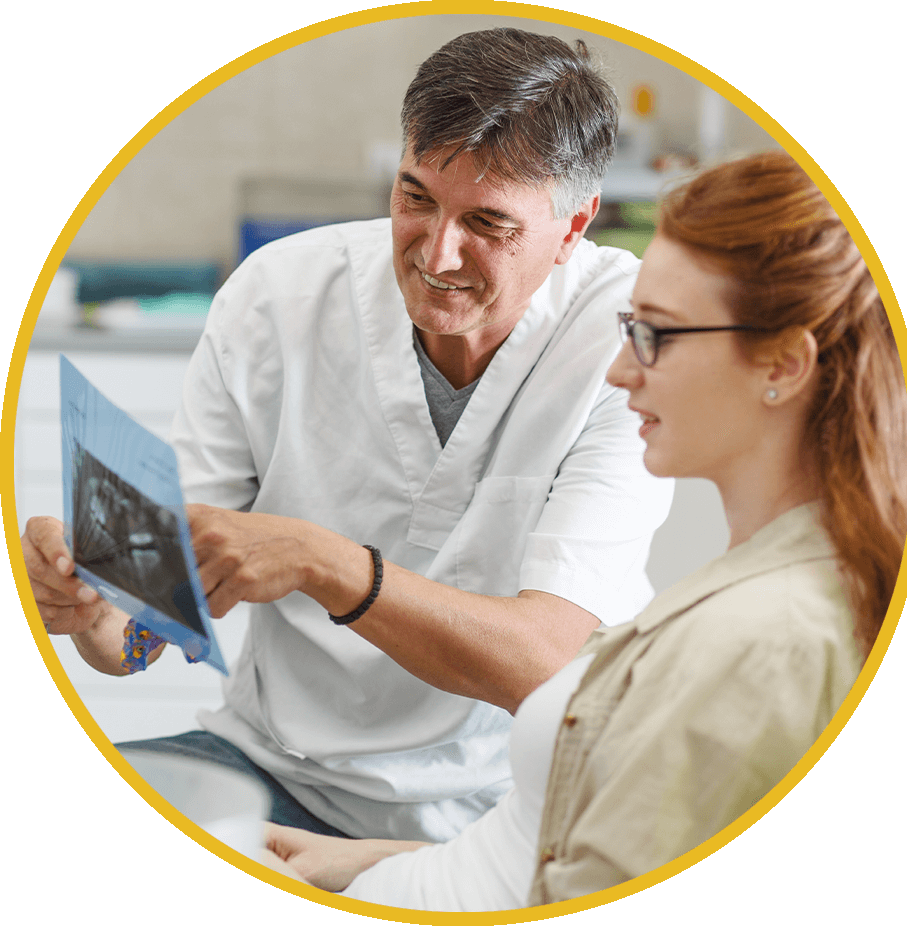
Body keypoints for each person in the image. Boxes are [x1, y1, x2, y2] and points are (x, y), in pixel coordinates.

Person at [21, 28, 672, 842]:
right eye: (416, 196)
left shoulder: (630, 338)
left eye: (489, 223)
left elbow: (541, 666)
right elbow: (142, 632)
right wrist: (87, 606)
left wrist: (320, 563)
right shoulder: (278, 296)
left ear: (573, 227)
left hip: (512, 803)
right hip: (270, 765)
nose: (438, 252)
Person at [258, 151, 907, 911]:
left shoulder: (764, 642)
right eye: (631, 328)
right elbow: (569, 854)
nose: (620, 373)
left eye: (658, 336)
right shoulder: (744, 581)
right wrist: (366, 864)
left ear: (784, 365)